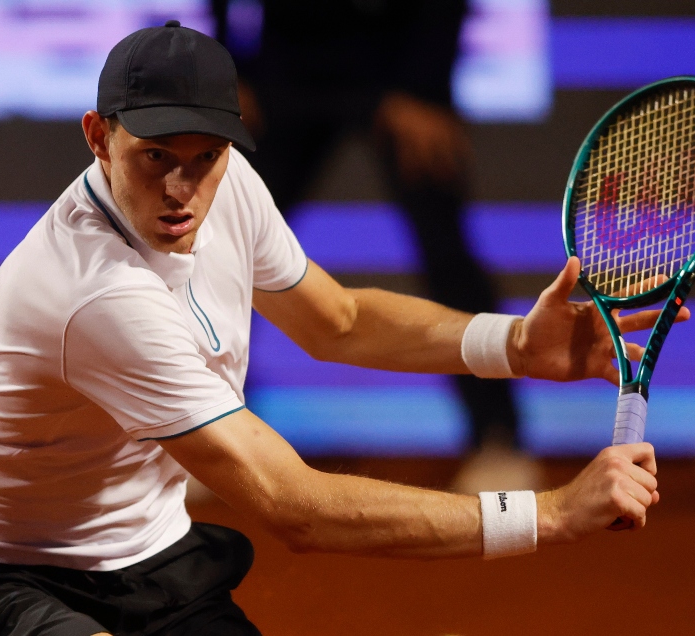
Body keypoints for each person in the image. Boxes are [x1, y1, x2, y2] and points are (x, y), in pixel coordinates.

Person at [0, 22, 672, 636]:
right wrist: (552, 513)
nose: (180, 189)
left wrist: (512, 346)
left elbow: (341, 321)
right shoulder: (98, 297)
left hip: (149, 555)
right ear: (98, 135)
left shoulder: (225, 189)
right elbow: (297, 506)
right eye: (153, 156)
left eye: (204, 157)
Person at [209, 0, 532, 492]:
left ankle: (498, 438)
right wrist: (228, 68)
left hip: (399, 65)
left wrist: (422, 86)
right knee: (223, 247)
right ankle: (206, 434)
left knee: (446, 255)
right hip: (286, 68)